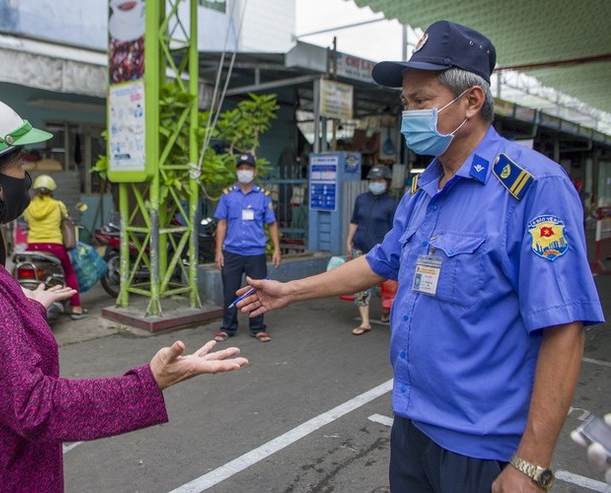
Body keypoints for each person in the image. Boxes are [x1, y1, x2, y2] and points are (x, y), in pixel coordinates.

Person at [235, 20, 604, 492]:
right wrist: (290, 290)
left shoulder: (533, 188)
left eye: (421, 101)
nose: (408, 114)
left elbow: (563, 326)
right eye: (405, 102)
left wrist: (531, 464)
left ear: (471, 101)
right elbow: (379, 261)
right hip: (412, 426)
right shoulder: (423, 188)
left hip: (482, 446)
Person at [0, 93, 248, 492]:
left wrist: (19, 311)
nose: (24, 176)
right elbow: (35, 407)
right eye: (17, 164)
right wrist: (148, 382)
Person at [213, 152, 281, 343]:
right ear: (237, 171)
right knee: (230, 291)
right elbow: (222, 224)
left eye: (248, 168)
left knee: (258, 291)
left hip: (256, 253)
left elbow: (272, 224)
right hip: (232, 252)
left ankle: (258, 328)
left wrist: (276, 249)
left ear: (255, 171)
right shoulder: (227, 196)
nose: (245, 172)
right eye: (241, 168)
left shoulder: (263, 197)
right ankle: (227, 328)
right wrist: (219, 251)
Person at [23, 174, 86, 319]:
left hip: (33, 246)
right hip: (54, 247)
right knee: (69, 272)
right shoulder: (58, 205)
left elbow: (26, 221)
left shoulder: (29, 206)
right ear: (52, 190)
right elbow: (66, 220)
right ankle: (76, 307)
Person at [345, 164, 397, 335]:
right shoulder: (361, 199)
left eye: (379, 180)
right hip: (360, 249)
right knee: (361, 286)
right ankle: (365, 321)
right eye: (373, 180)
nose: (375, 183)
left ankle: (386, 311)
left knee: (387, 287)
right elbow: (354, 221)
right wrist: (349, 241)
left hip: (382, 251)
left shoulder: (391, 204)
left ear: (387, 182)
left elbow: (395, 230)